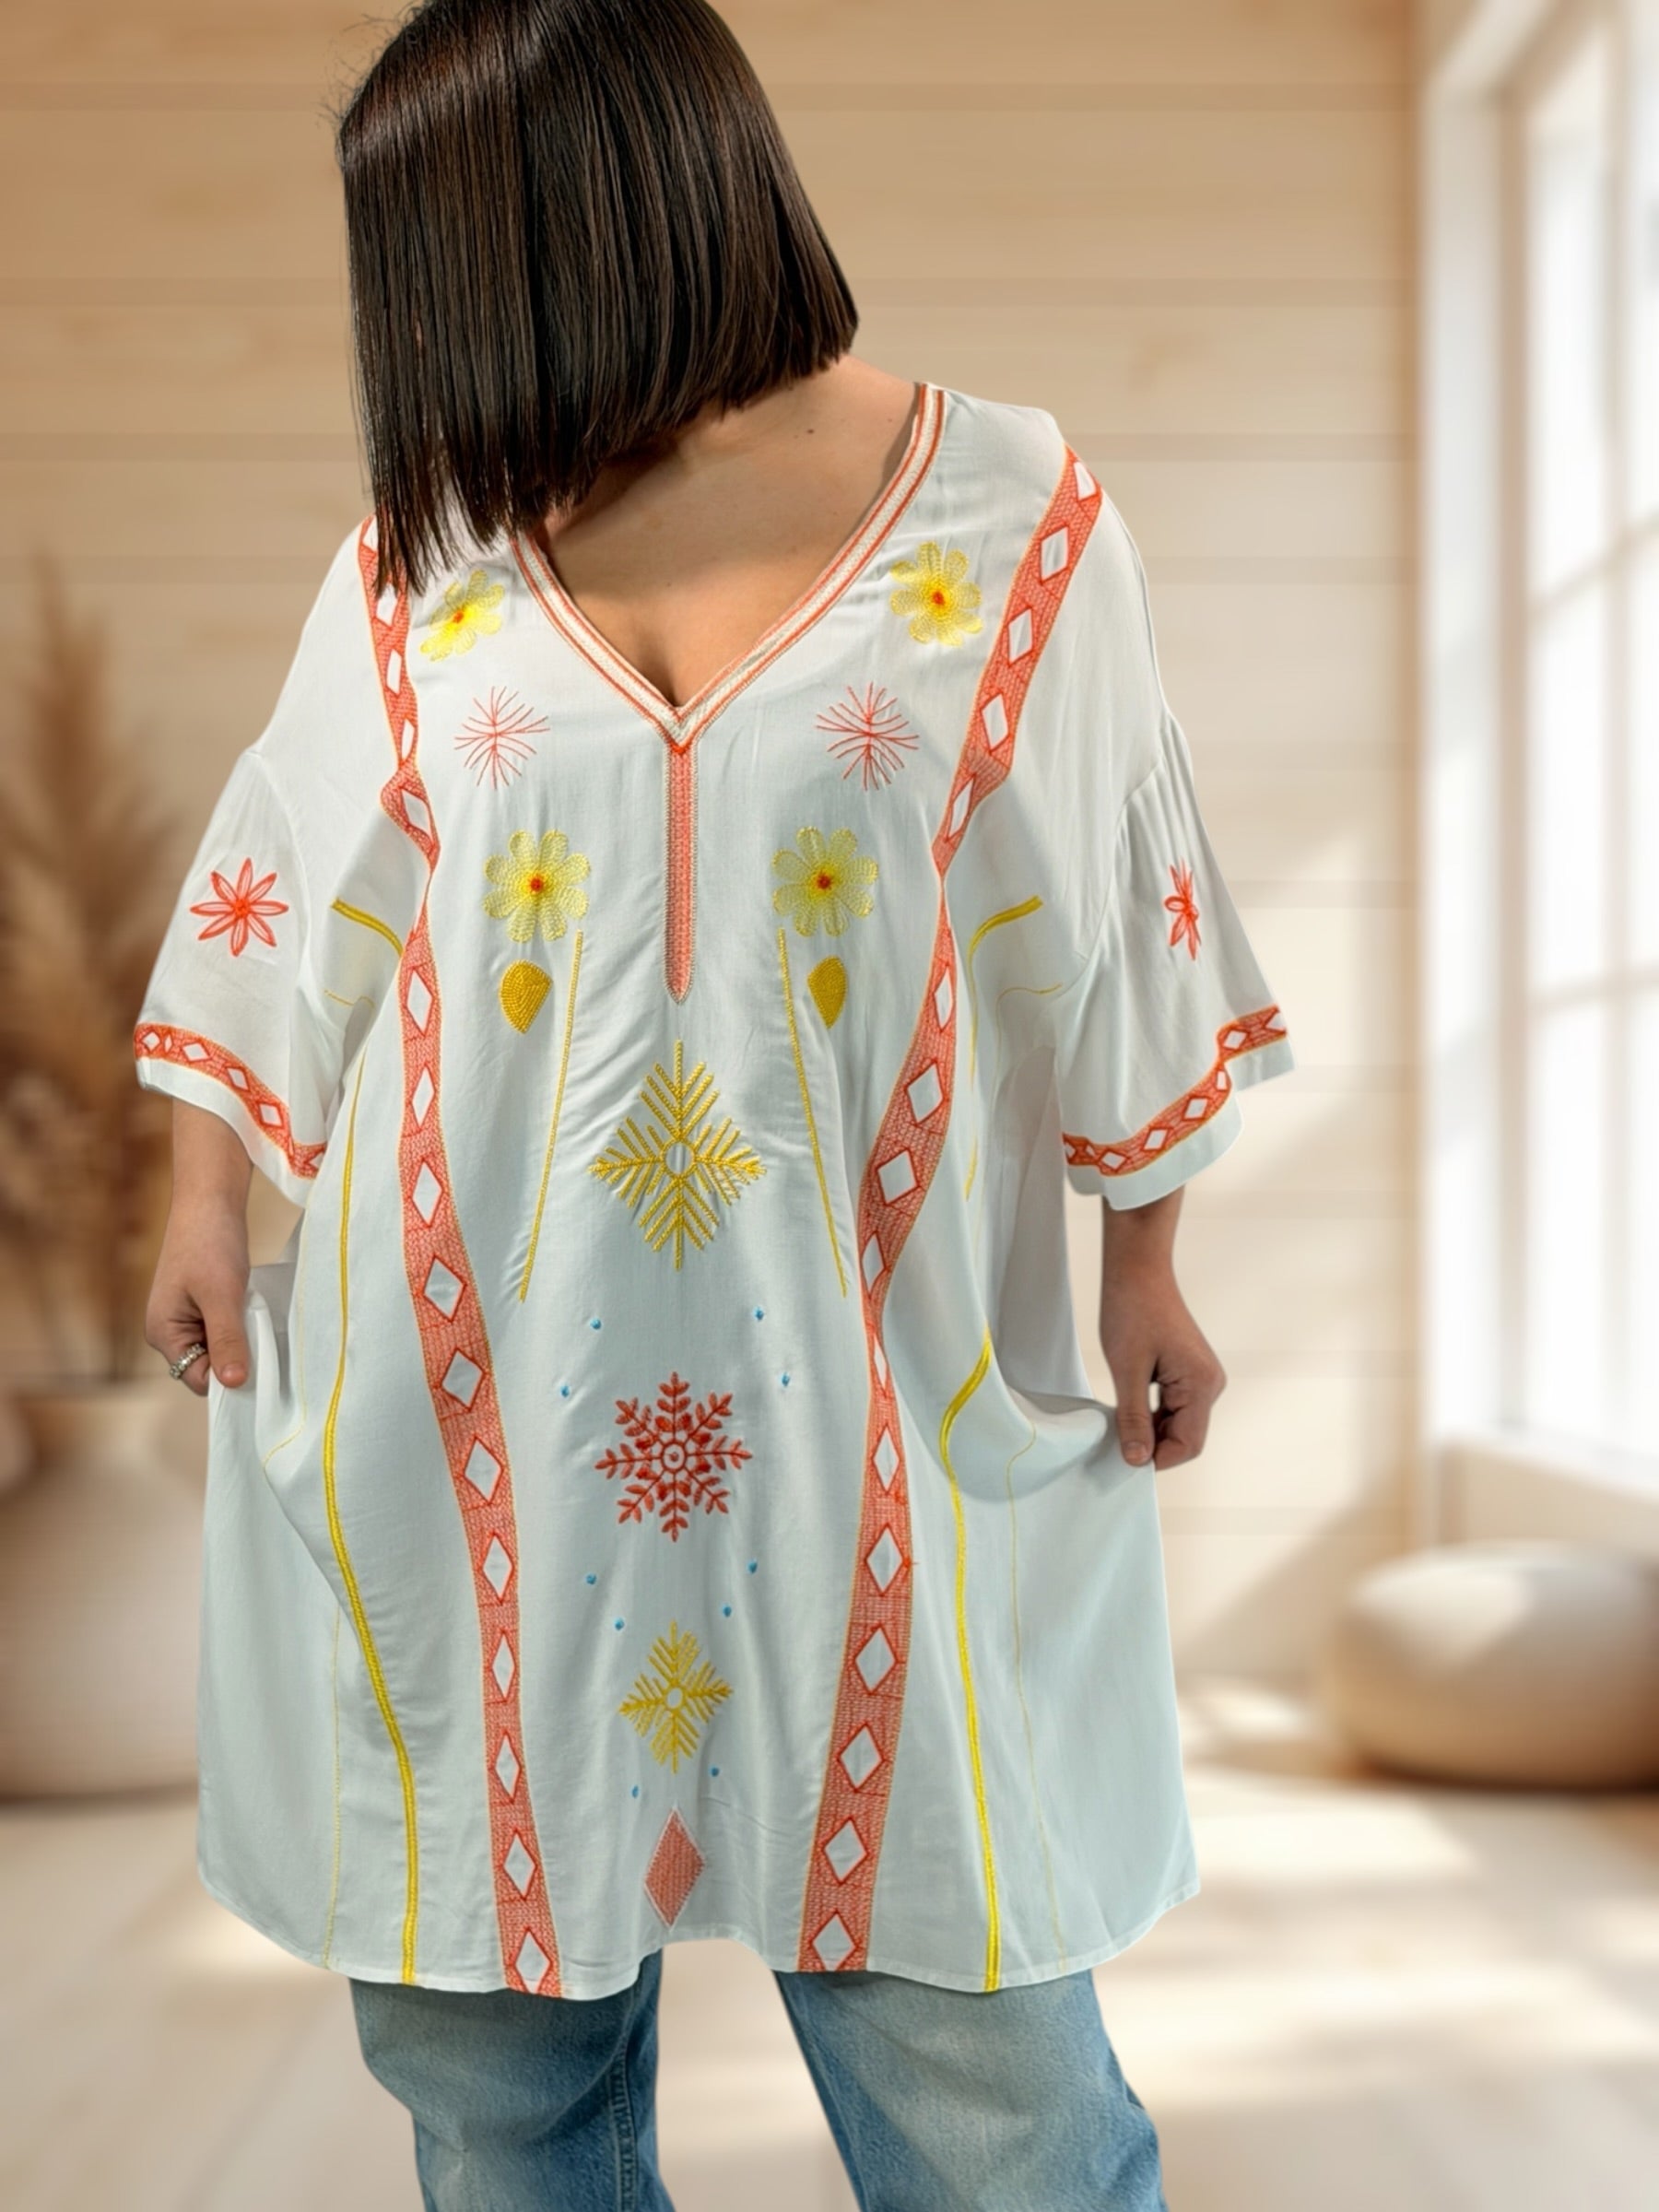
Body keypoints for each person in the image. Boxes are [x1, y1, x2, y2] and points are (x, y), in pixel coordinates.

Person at [135, 2, 1294, 2206]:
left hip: (877, 1425)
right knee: (502, 2115)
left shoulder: (1014, 518)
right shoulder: (422, 560)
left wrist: (1148, 1259)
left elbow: (1122, 900)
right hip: (468, 1430)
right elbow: (275, 885)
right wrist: (209, 1196)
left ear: (590, 219)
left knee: (1009, 2131)